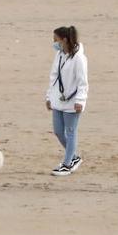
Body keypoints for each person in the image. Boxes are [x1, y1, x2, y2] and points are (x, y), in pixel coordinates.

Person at [44, 25, 88, 176]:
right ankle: (74, 157)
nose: (54, 43)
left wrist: (80, 101)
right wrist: (49, 96)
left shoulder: (79, 58)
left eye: (55, 39)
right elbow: (53, 77)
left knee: (70, 132)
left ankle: (67, 163)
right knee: (58, 131)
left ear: (64, 39)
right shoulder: (59, 55)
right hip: (58, 99)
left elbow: (83, 82)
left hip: (72, 101)